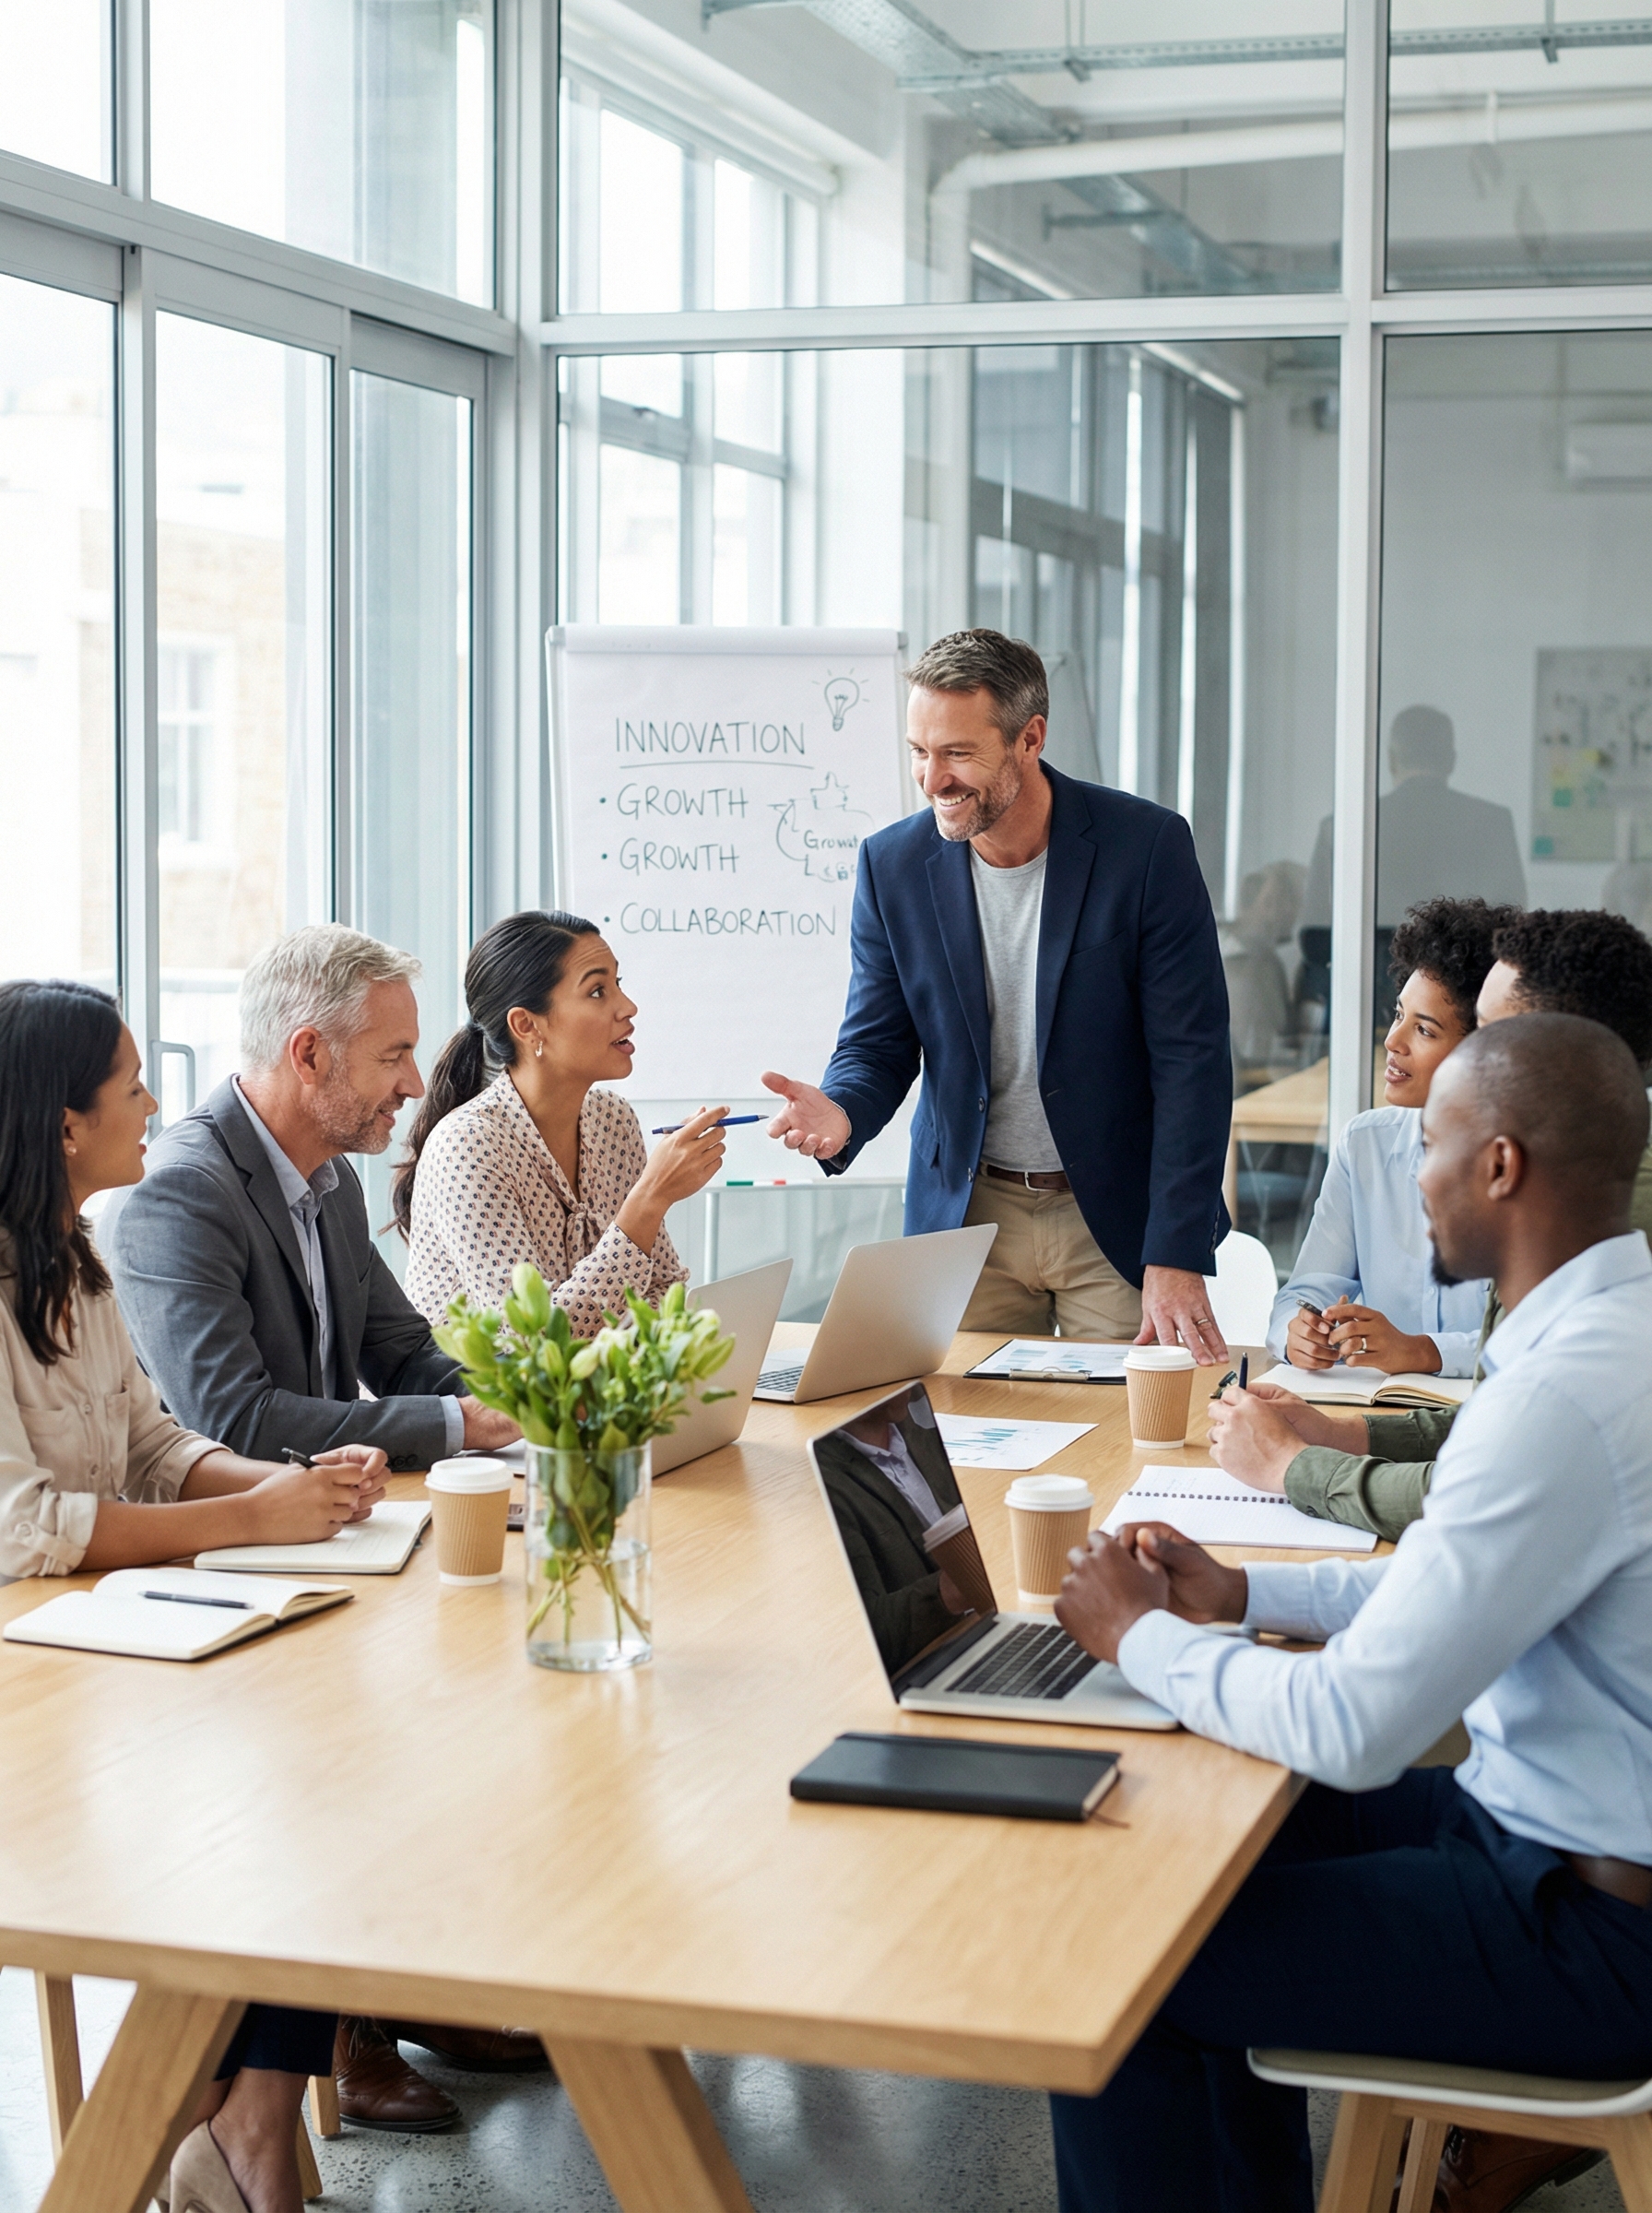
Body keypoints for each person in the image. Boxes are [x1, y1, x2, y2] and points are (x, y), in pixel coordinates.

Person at [1047, 1012, 1652, 2213]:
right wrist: (1239, 1592)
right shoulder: (1600, 1338)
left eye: (1432, 1143)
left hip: (1588, 1930)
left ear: (1500, 1166)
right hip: (1545, 1830)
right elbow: (1449, 1581)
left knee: (1111, 1969)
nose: (1411, 1172)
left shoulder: (1563, 1394)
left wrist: (1141, 1636)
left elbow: (1357, 1727)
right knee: (1200, 1832)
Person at [103, 925, 537, 2125]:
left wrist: (497, 1413)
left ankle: (417, 1972)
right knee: (398, 1711)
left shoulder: (330, 1181)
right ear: (310, 1054)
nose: (416, 1081)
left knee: (489, 1669)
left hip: (314, 1533)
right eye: (394, 1056)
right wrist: (461, 1436)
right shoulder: (179, 1194)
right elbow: (228, 1413)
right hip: (205, 1573)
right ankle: (345, 2024)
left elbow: (399, 1351)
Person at [0, 979, 391, 2213]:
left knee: (332, 1769)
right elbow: (21, 1531)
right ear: (65, 1123)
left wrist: (292, 1488)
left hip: (109, 1651)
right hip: (35, 1687)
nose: (155, 1105)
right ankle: (210, 2133)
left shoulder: (76, 1257)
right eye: (129, 1087)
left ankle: (246, 2120)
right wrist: (245, 1519)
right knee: (271, 1811)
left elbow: (155, 1445)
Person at [763, 628, 1233, 1358]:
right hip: (968, 1216)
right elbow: (878, 1043)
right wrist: (845, 1109)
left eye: (957, 753)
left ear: (1029, 738)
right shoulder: (891, 865)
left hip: (1111, 1217)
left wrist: (1175, 1251)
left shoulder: (1145, 850)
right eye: (919, 752)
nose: (932, 779)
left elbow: (1192, 1064)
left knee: (1123, 1441)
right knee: (964, 1443)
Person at [1219, 906, 1652, 1541]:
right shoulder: (1562, 1178)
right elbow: (1490, 1424)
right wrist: (1335, 1432)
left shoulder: (1587, 1215)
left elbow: (1468, 1493)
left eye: (1486, 1034)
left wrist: (1292, 1466)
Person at [395, 910, 722, 1330]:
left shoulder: (613, 1121)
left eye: (617, 984)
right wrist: (650, 1199)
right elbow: (531, 1341)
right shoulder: (468, 1146)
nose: (628, 1007)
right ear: (527, 1025)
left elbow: (660, 1289)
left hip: (597, 1392)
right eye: (598, 992)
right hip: (486, 1394)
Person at [1270, 898, 1516, 1379]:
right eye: (1399, 1013)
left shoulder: (1527, 1162)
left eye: (1423, 1029)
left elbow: (1532, 1335)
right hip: (1368, 1410)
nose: (1393, 1040)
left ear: (1483, 1049)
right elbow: (1304, 1292)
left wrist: (1423, 1351)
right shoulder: (1364, 1145)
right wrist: (1297, 1332)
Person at [1303, 704, 1527, 933]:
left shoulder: (1341, 828)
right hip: (1465, 965)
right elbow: (1510, 922)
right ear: (1451, 761)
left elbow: (1314, 933)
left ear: (1390, 760)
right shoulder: (1493, 822)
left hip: (1372, 967)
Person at [812, 1386, 977, 1675]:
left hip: (983, 1622)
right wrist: (955, 1588)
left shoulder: (920, 1427)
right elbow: (863, 1639)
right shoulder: (823, 1482)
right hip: (936, 1658)